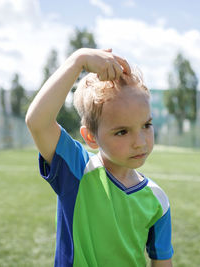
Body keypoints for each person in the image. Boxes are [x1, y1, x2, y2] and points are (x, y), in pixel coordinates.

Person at [25, 48, 173, 267]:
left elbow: (162, 262)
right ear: (91, 137)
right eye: (122, 131)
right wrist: (79, 60)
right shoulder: (77, 170)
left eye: (146, 125)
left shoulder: (157, 200)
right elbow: (38, 121)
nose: (140, 141)